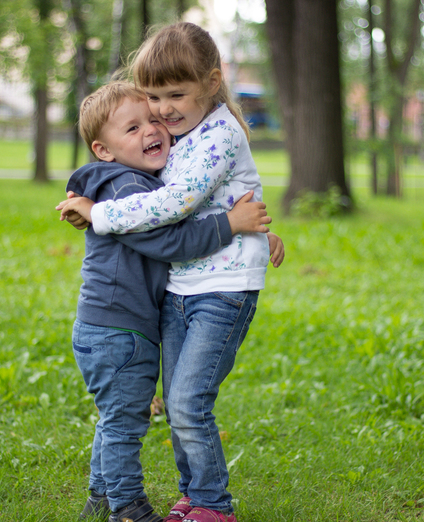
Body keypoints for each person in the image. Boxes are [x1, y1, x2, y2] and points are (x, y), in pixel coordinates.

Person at [79, 22, 284, 522]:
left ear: (212, 83)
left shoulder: (218, 133)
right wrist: (248, 223)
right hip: (181, 285)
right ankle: (192, 495)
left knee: (190, 400)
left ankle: (215, 506)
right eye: (153, 95)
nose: (163, 108)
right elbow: (206, 200)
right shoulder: (178, 133)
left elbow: (175, 204)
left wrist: (97, 214)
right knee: (176, 405)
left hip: (223, 287)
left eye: (177, 93)